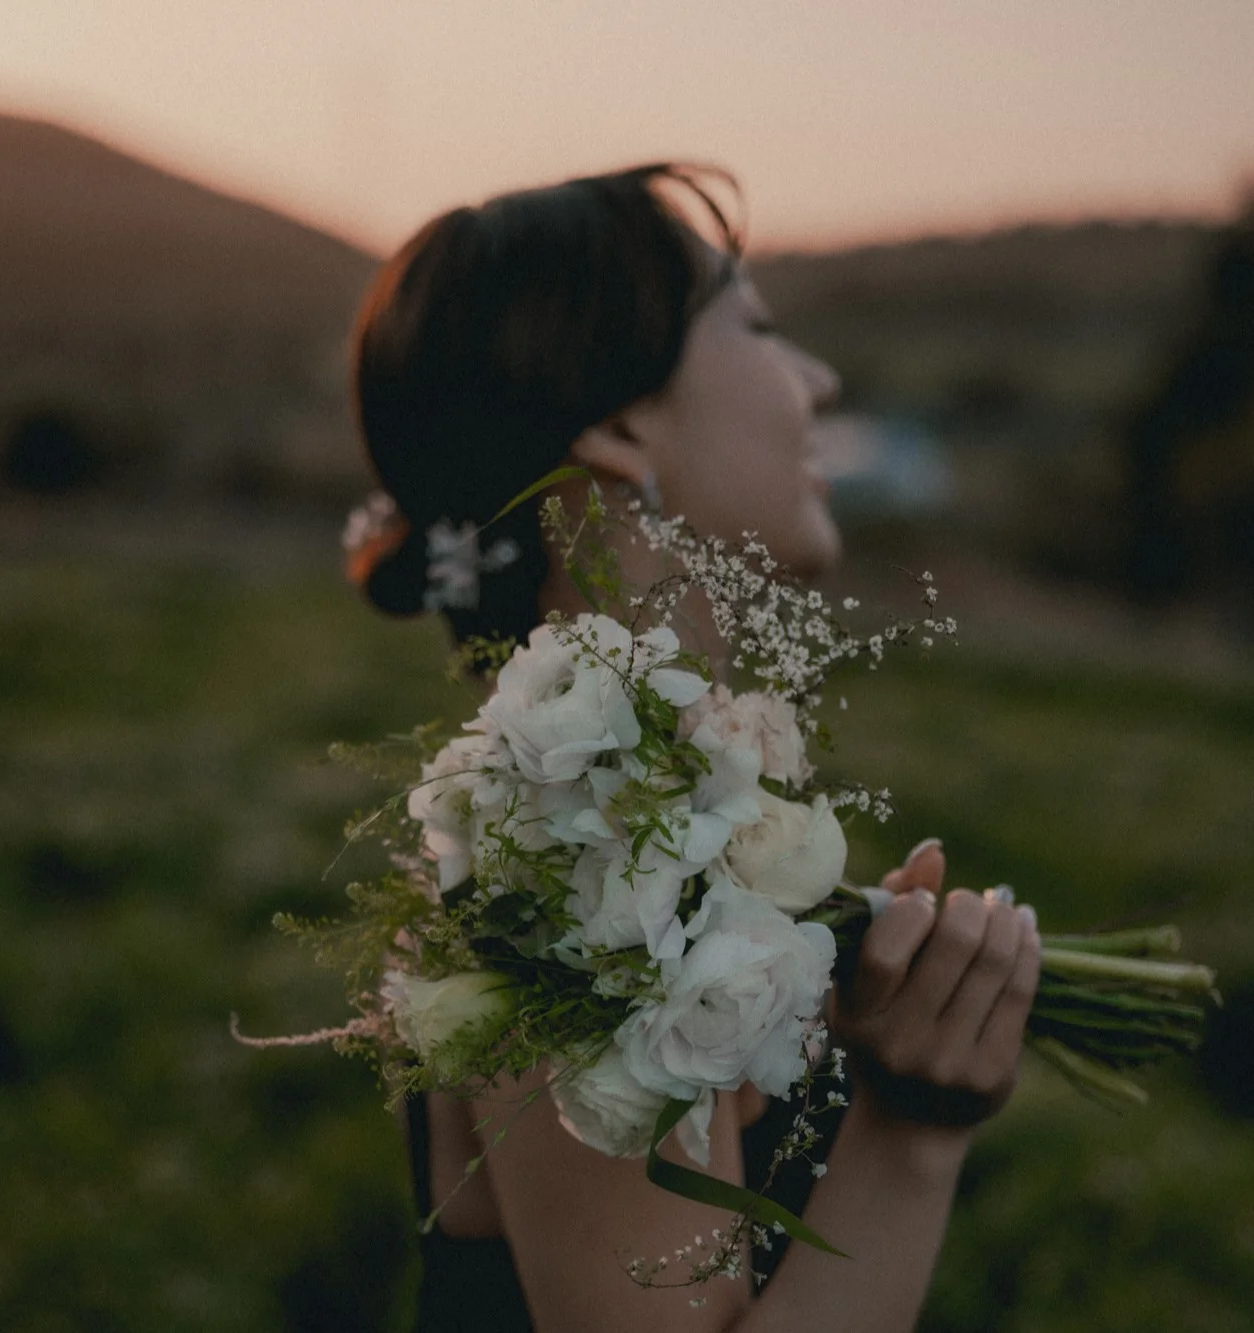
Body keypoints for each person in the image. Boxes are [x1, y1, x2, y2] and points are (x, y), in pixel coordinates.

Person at [348, 164, 1041, 1333]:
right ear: (621, 428)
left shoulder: (627, 803)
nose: (816, 380)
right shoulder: (579, 853)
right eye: (757, 329)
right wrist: (910, 1131)